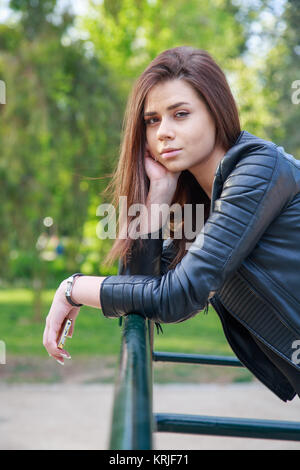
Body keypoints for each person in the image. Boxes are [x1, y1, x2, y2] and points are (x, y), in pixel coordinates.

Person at [43, 46, 300, 401]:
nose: (163, 131)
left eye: (180, 114)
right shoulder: (207, 202)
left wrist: (72, 289)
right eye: (152, 120)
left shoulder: (258, 171)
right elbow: (140, 284)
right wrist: (159, 195)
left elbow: (176, 297)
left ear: (216, 113)